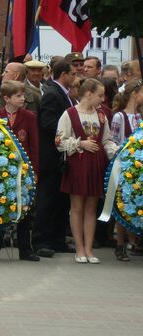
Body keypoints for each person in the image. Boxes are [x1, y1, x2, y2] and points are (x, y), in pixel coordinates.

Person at [56, 77, 118, 264]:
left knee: (92, 208)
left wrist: (116, 154)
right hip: (78, 164)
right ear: (89, 94)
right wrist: (80, 143)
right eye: (100, 95)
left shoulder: (101, 115)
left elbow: (107, 140)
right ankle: (79, 248)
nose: (103, 99)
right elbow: (59, 141)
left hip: (96, 164)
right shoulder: (69, 114)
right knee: (77, 207)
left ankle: (89, 249)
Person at [0, 81, 41, 262]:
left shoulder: (29, 117)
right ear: (6, 98)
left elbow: (34, 145)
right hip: (1, 171)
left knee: (24, 208)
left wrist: (34, 170)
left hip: (23, 170)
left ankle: (25, 249)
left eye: (23, 95)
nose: (23, 99)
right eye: (18, 96)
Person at [32, 59, 76, 257]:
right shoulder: (52, 94)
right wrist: (69, 132)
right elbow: (47, 123)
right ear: (64, 74)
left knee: (61, 200)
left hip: (62, 157)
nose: (75, 78)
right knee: (47, 199)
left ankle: (58, 238)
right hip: (50, 157)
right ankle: (41, 240)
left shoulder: (64, 95)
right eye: (73, 74)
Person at [109, 79, 143, 261]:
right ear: (134, 95)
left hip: (138, 167)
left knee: (136, 202)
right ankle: (120, 243)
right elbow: (114, 142)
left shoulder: (140, 117)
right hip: (123, 166)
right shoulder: (119, 117)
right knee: (122, 205)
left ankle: (135, 240)